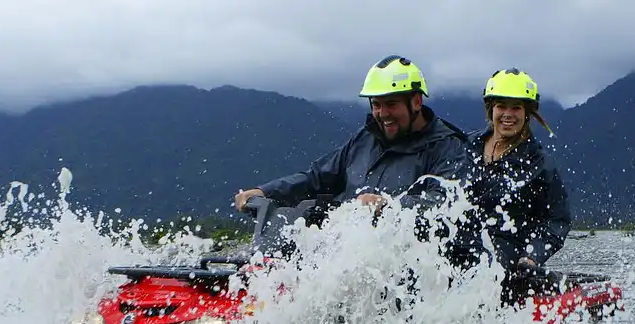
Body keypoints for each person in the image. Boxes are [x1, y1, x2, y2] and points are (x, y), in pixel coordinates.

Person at [233, 55, 468, 232]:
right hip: (339, 255)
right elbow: (316, 178)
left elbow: (443, 203)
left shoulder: (448, 146)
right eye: (376, 104)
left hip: (405, 270)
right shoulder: (365, 139)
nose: (383, 113)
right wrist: (265, 191)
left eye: (392, 104)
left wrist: (389, 206)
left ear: (416, 102)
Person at [445, 68, 571, 279]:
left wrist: (532, 256)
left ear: (527, 113)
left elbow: (557, 221)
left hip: (503, 258)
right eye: (501, 106)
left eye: (516, 108)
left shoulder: (540, 164)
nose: (508, 114)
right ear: (490, 109)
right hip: (457, 244)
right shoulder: (466, 146)